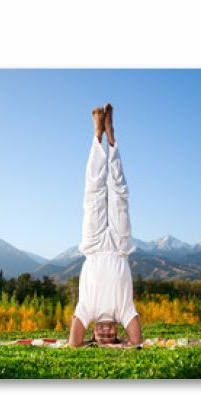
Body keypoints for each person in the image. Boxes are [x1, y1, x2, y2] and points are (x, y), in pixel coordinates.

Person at [68, 103, 142, 347]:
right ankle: (112, 138)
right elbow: (137, 340)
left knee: (94, 193)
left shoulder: (86, 310)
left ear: (94, 334)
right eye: (112, 335)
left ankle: (97, 135)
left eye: (103, 337)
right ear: (118, 331)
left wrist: (94, 345)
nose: (107, 333)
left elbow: (73, 343)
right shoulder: (124, 311)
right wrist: (120, 346)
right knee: (119, 193)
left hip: (94, 246)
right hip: (120, 247)